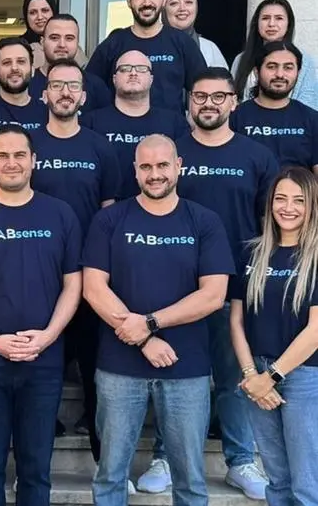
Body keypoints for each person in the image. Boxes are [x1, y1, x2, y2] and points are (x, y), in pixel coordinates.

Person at [143, 68, 276, 499]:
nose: (209, 104)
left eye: (219, 96)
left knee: (236, 374)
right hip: (175, 290)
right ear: (189, 102)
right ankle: (166, 456)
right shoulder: (171, 154)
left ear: (234, 102)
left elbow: (271, 225)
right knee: (175, 377)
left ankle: (240, 460)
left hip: (236, 288)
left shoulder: (257, 156)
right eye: (200, 96)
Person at [82, 134, 236, 506]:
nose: (155, 174)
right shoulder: (109, 220)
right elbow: (93, 288)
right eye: (146, 167)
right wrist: (145, 339)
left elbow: (213, 295)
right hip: (118, 369)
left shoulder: (204, 221)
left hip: (187, 368)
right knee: (110, 476)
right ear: (135, 171)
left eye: (163, 165)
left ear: (178, 166)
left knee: (190, 480)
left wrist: (150, 323)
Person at [0, 125, 83, 506]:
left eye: (20, 155)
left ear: (33, 161)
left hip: (43, 360)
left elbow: (74, 285)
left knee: (36, 467)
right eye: (3, 156)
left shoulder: (61, 214)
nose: (12, 163)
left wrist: (48, 336)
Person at [30, 59, 122, 454]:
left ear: (83, 96)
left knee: (92, 361)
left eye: (72, 85)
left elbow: (108, 213)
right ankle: (39, 440)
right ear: (44, 94)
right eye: (57, 85)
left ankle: (104, 455)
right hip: (38, 272)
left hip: (87, 273)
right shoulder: (28, 146)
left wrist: (99, 270)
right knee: (41, 359)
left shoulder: (100, 147)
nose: (65, 92)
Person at [230, 166, 318, 506]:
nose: (288, 207)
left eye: (299, 200)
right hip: (257, 374)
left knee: (307, 485)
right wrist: (252, 375)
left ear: (312, 205)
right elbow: (236, 321)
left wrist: (272, 377)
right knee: (277, 482)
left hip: (304, 377)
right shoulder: (252, 253)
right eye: (281, 198)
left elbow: (315, 330)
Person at [86, 0, 207, 113]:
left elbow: (204, 90)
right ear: (129, 2)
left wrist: (192, 121)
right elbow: (89, 91)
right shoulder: (112, 44)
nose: (147, 2)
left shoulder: (182, 42)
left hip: (171, 127)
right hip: (121, 127)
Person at [82, 50, 190, 200]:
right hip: (107, 209)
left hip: (161, 208)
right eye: (125, 69)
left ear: (151, 79)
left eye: (141, 69)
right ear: (114, 79)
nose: (133, 73)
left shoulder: (175, 123)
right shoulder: (91, 123)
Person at [230, 41, 318, 172]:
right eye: (271, 67)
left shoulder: (312, 119)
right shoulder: (235, 117)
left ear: (298, 73)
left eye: (288, 68)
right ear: (256, 71)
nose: (280, 74)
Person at [231, 0, 318, 108]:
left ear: (288, 23)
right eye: (265, 18)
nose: (271, 24)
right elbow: (232, 99)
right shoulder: (241, 59)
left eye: (279, 18)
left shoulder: (304, 60)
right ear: (257, 23)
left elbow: (309, 104)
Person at [28, 14, 110, 110]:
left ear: (77, 43)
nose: (62, 45)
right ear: (42, 42)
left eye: (69, 38)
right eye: (54, 38)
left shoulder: (96, 86)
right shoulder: (27, 84)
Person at [162, 0, 228, 69]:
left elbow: (222, 77)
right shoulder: (154, 45)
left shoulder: (209, 48)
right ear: (164, 10)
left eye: (188, 2)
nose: (182, 8)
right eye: (174, 3)